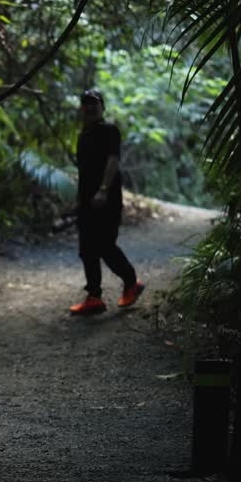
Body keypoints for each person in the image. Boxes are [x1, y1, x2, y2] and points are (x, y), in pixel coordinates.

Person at [69, 89, 145, 315]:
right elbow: (84, 172)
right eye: (86, 104)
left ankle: (131, 282)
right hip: (86, 201)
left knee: (105, 246)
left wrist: (103, 190)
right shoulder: (83, 135)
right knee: (87, 249)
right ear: (82, 109)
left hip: (107, 198)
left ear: (102, 107)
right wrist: (80, 200)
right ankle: (94, 297)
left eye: (94, 103)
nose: (90, 107)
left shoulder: (109, 130)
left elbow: (113, 160)